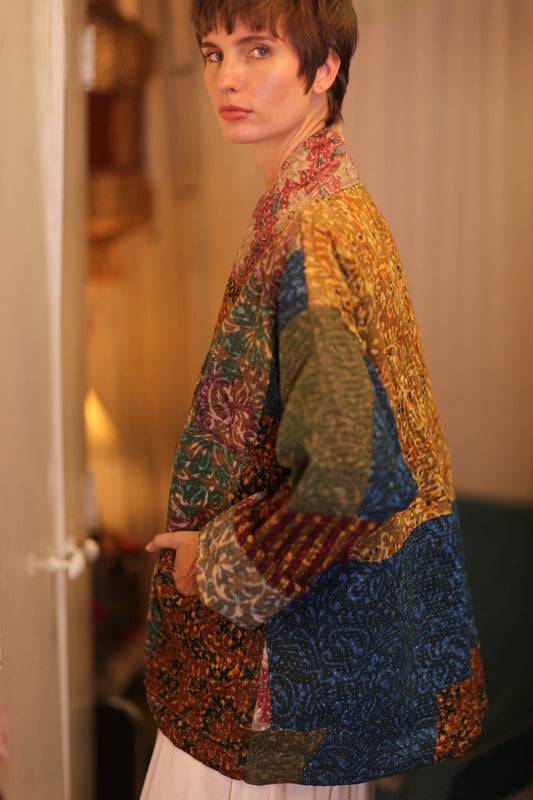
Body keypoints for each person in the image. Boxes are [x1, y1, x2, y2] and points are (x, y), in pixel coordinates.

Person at [141, 0, 487, 797]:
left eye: (257, 49)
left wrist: (213, 565)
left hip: (270, 680)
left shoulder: (312, 232)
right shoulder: (334, 207)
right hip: (311, 670)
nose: (226, 78)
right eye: (213, 52)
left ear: (324, 68)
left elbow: (353, 476)